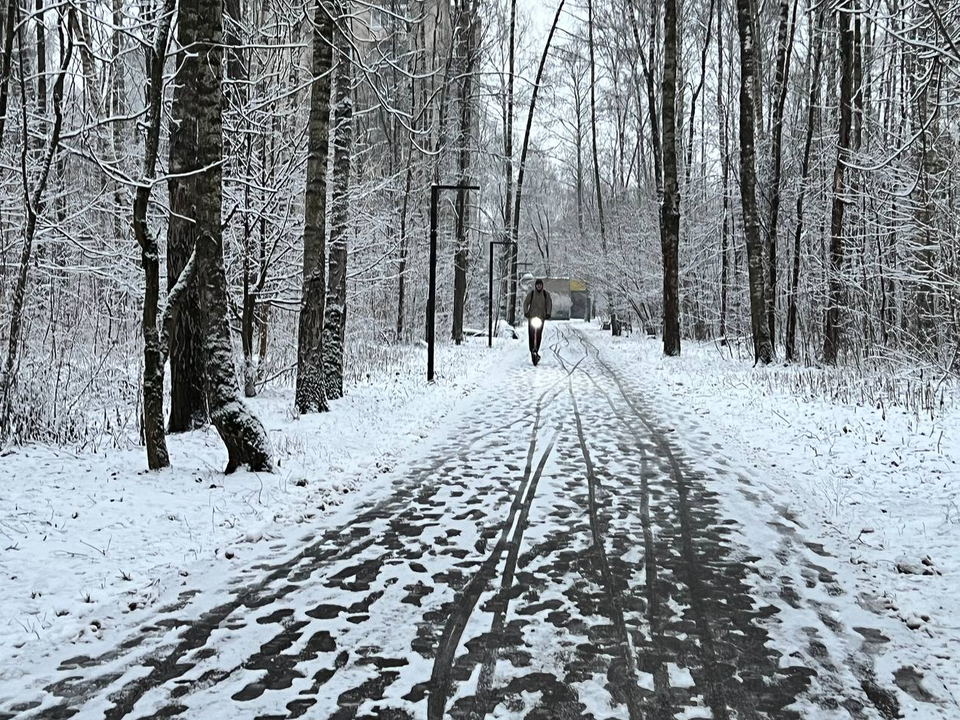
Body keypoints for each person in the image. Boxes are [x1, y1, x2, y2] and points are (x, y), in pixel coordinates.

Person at [523, 278, 553, 363]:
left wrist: (548, 313)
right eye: (537, 285)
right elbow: (526, 303)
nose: (539, 286)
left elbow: (549, 304)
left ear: (542, 286)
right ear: (535, 285)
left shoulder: (545, 294)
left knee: (539, 334)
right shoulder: (531, 294)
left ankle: (537, 349)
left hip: (541, 318)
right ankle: (532, 349)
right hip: (532, 317)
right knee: (531, 334)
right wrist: (526, 312)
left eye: (540, 285)